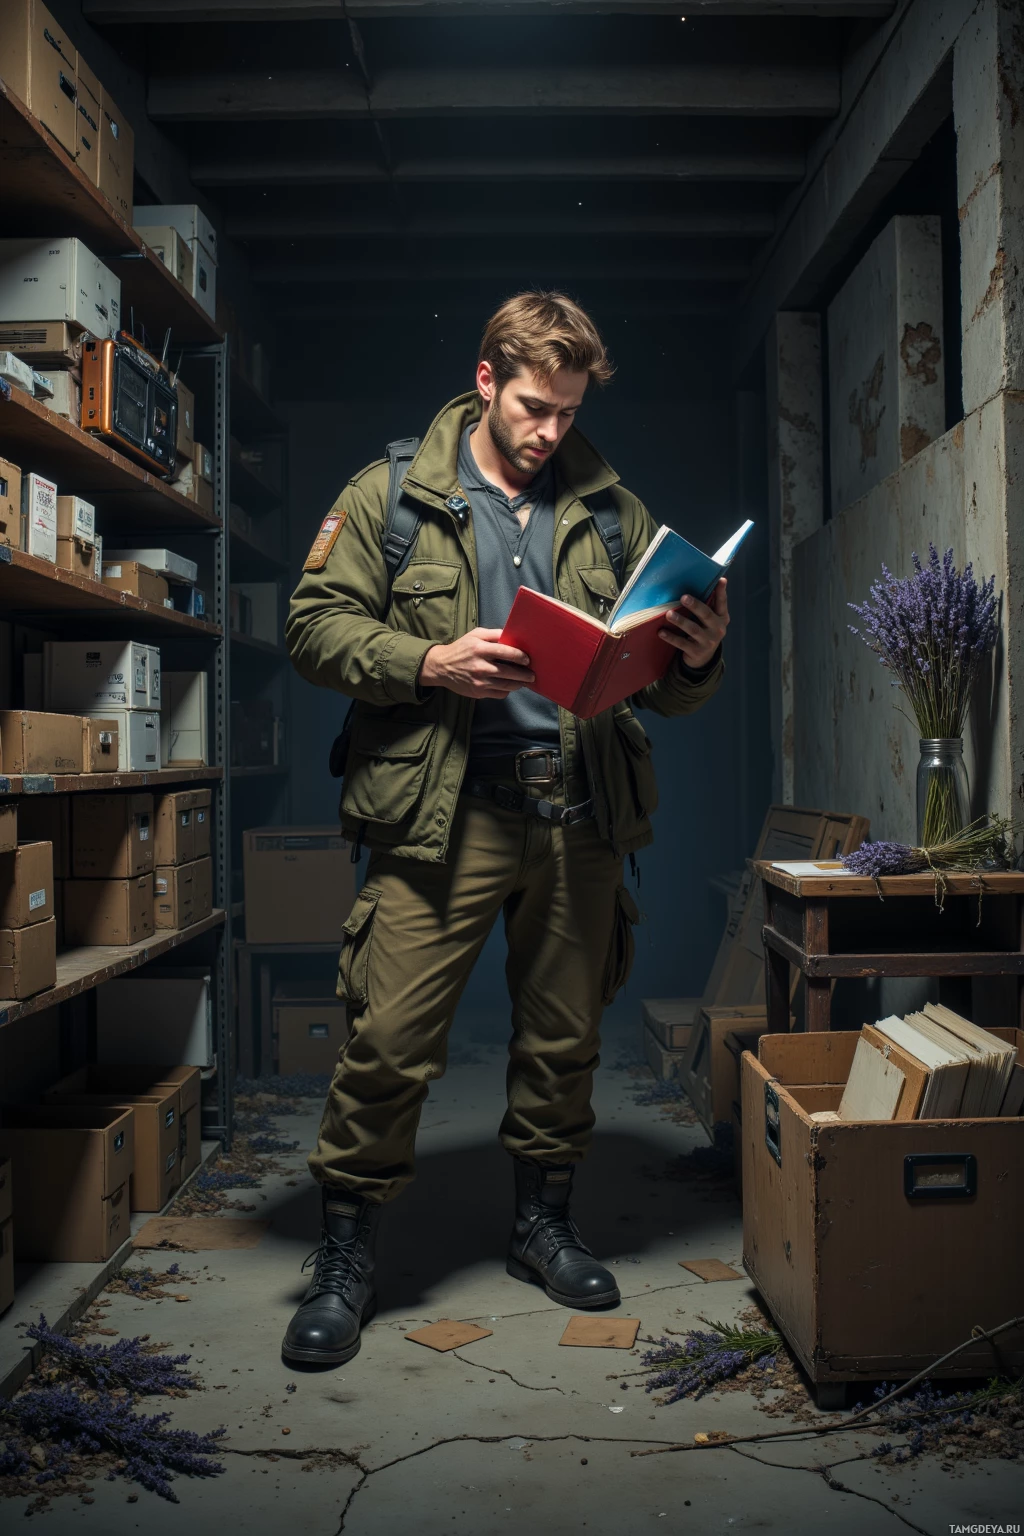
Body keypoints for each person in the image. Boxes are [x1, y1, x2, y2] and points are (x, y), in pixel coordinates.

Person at [282, 291, 728, 1367]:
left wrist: (696, 657)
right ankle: (344, 1259)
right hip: (442, 816)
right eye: (534, 406)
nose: (549, 433)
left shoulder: (614, 515)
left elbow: (658, 691)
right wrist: (426, 662)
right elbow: (310, 627)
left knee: (564, 1041)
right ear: (486, 380)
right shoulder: (390, 495)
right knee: (387, 1042)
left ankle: (542, 1223)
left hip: (577, 814)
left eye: (568, 412)